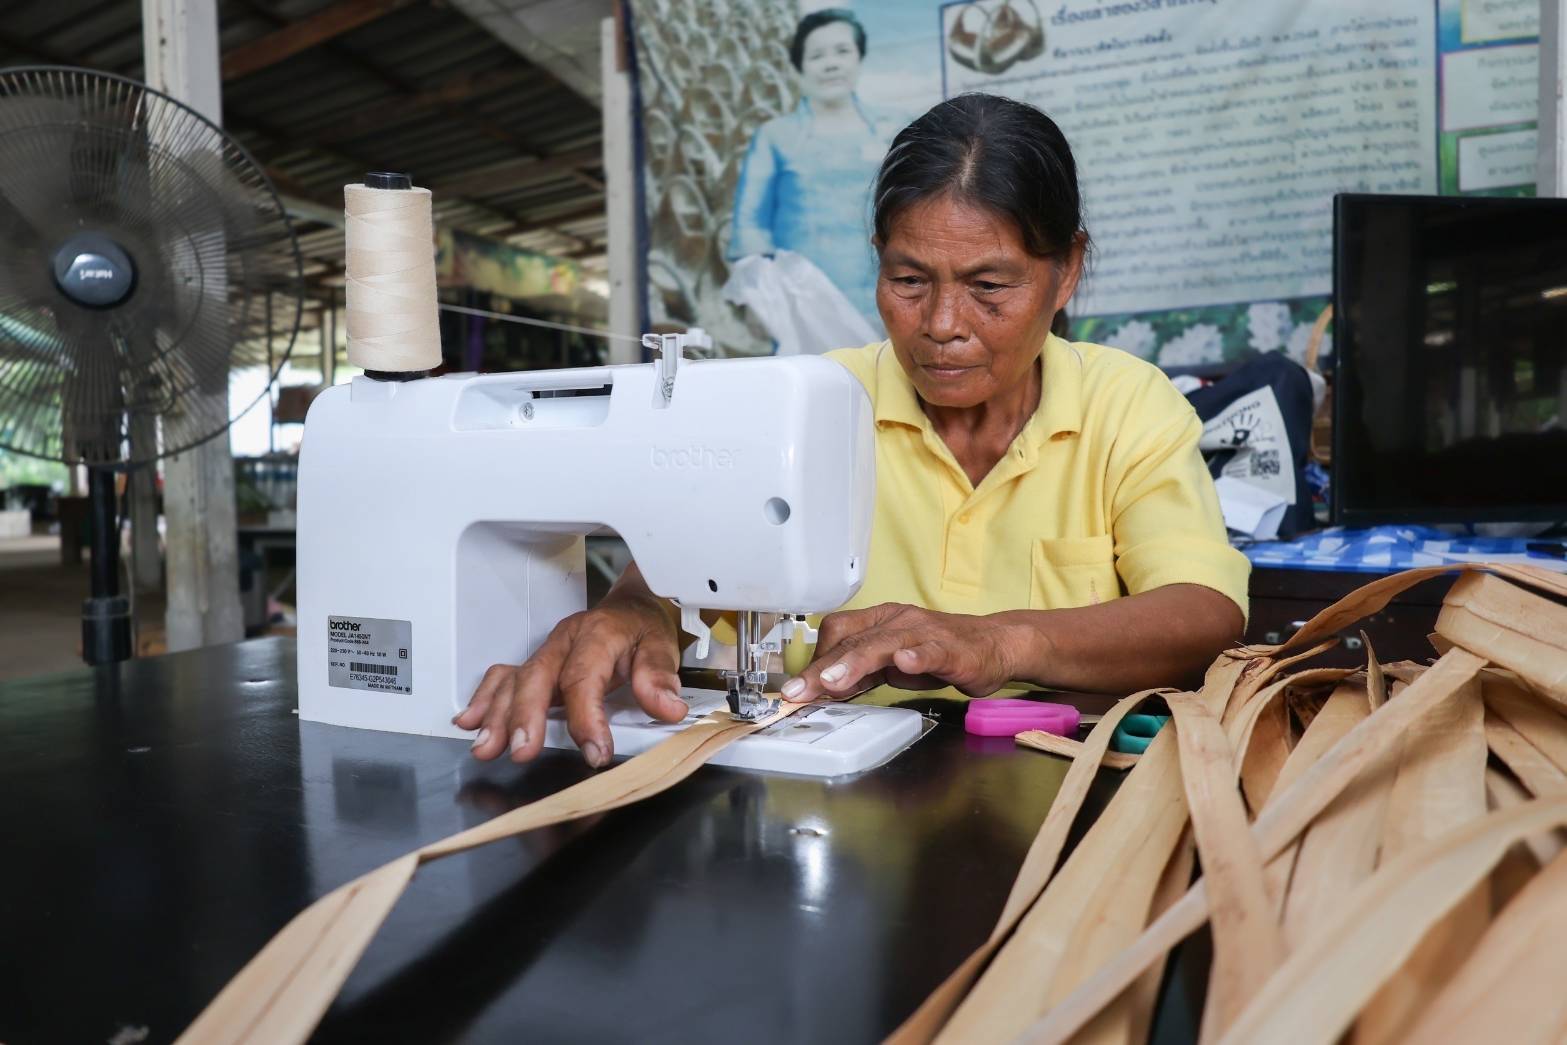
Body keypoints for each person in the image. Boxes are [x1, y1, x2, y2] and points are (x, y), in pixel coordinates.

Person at [459, 94, 1250, 767]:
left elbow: (1202, 610)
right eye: (908, 280)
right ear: (877, 260)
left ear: (1066, 269)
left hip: (1056, 788)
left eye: (988, 285)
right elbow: (676, 570)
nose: (942, 324)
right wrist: (634, 610)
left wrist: (998, 641)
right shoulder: (806, 403)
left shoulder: (1125, 404)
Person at [728, 8, 903, 331]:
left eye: (842, 51)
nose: (831, 63)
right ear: (799, 68)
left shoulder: (892, 128)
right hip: (802, 305)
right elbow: (749, 222)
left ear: (859, 57)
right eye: (817, 56)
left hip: (885, 298)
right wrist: (759, 295)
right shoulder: (775, 136)